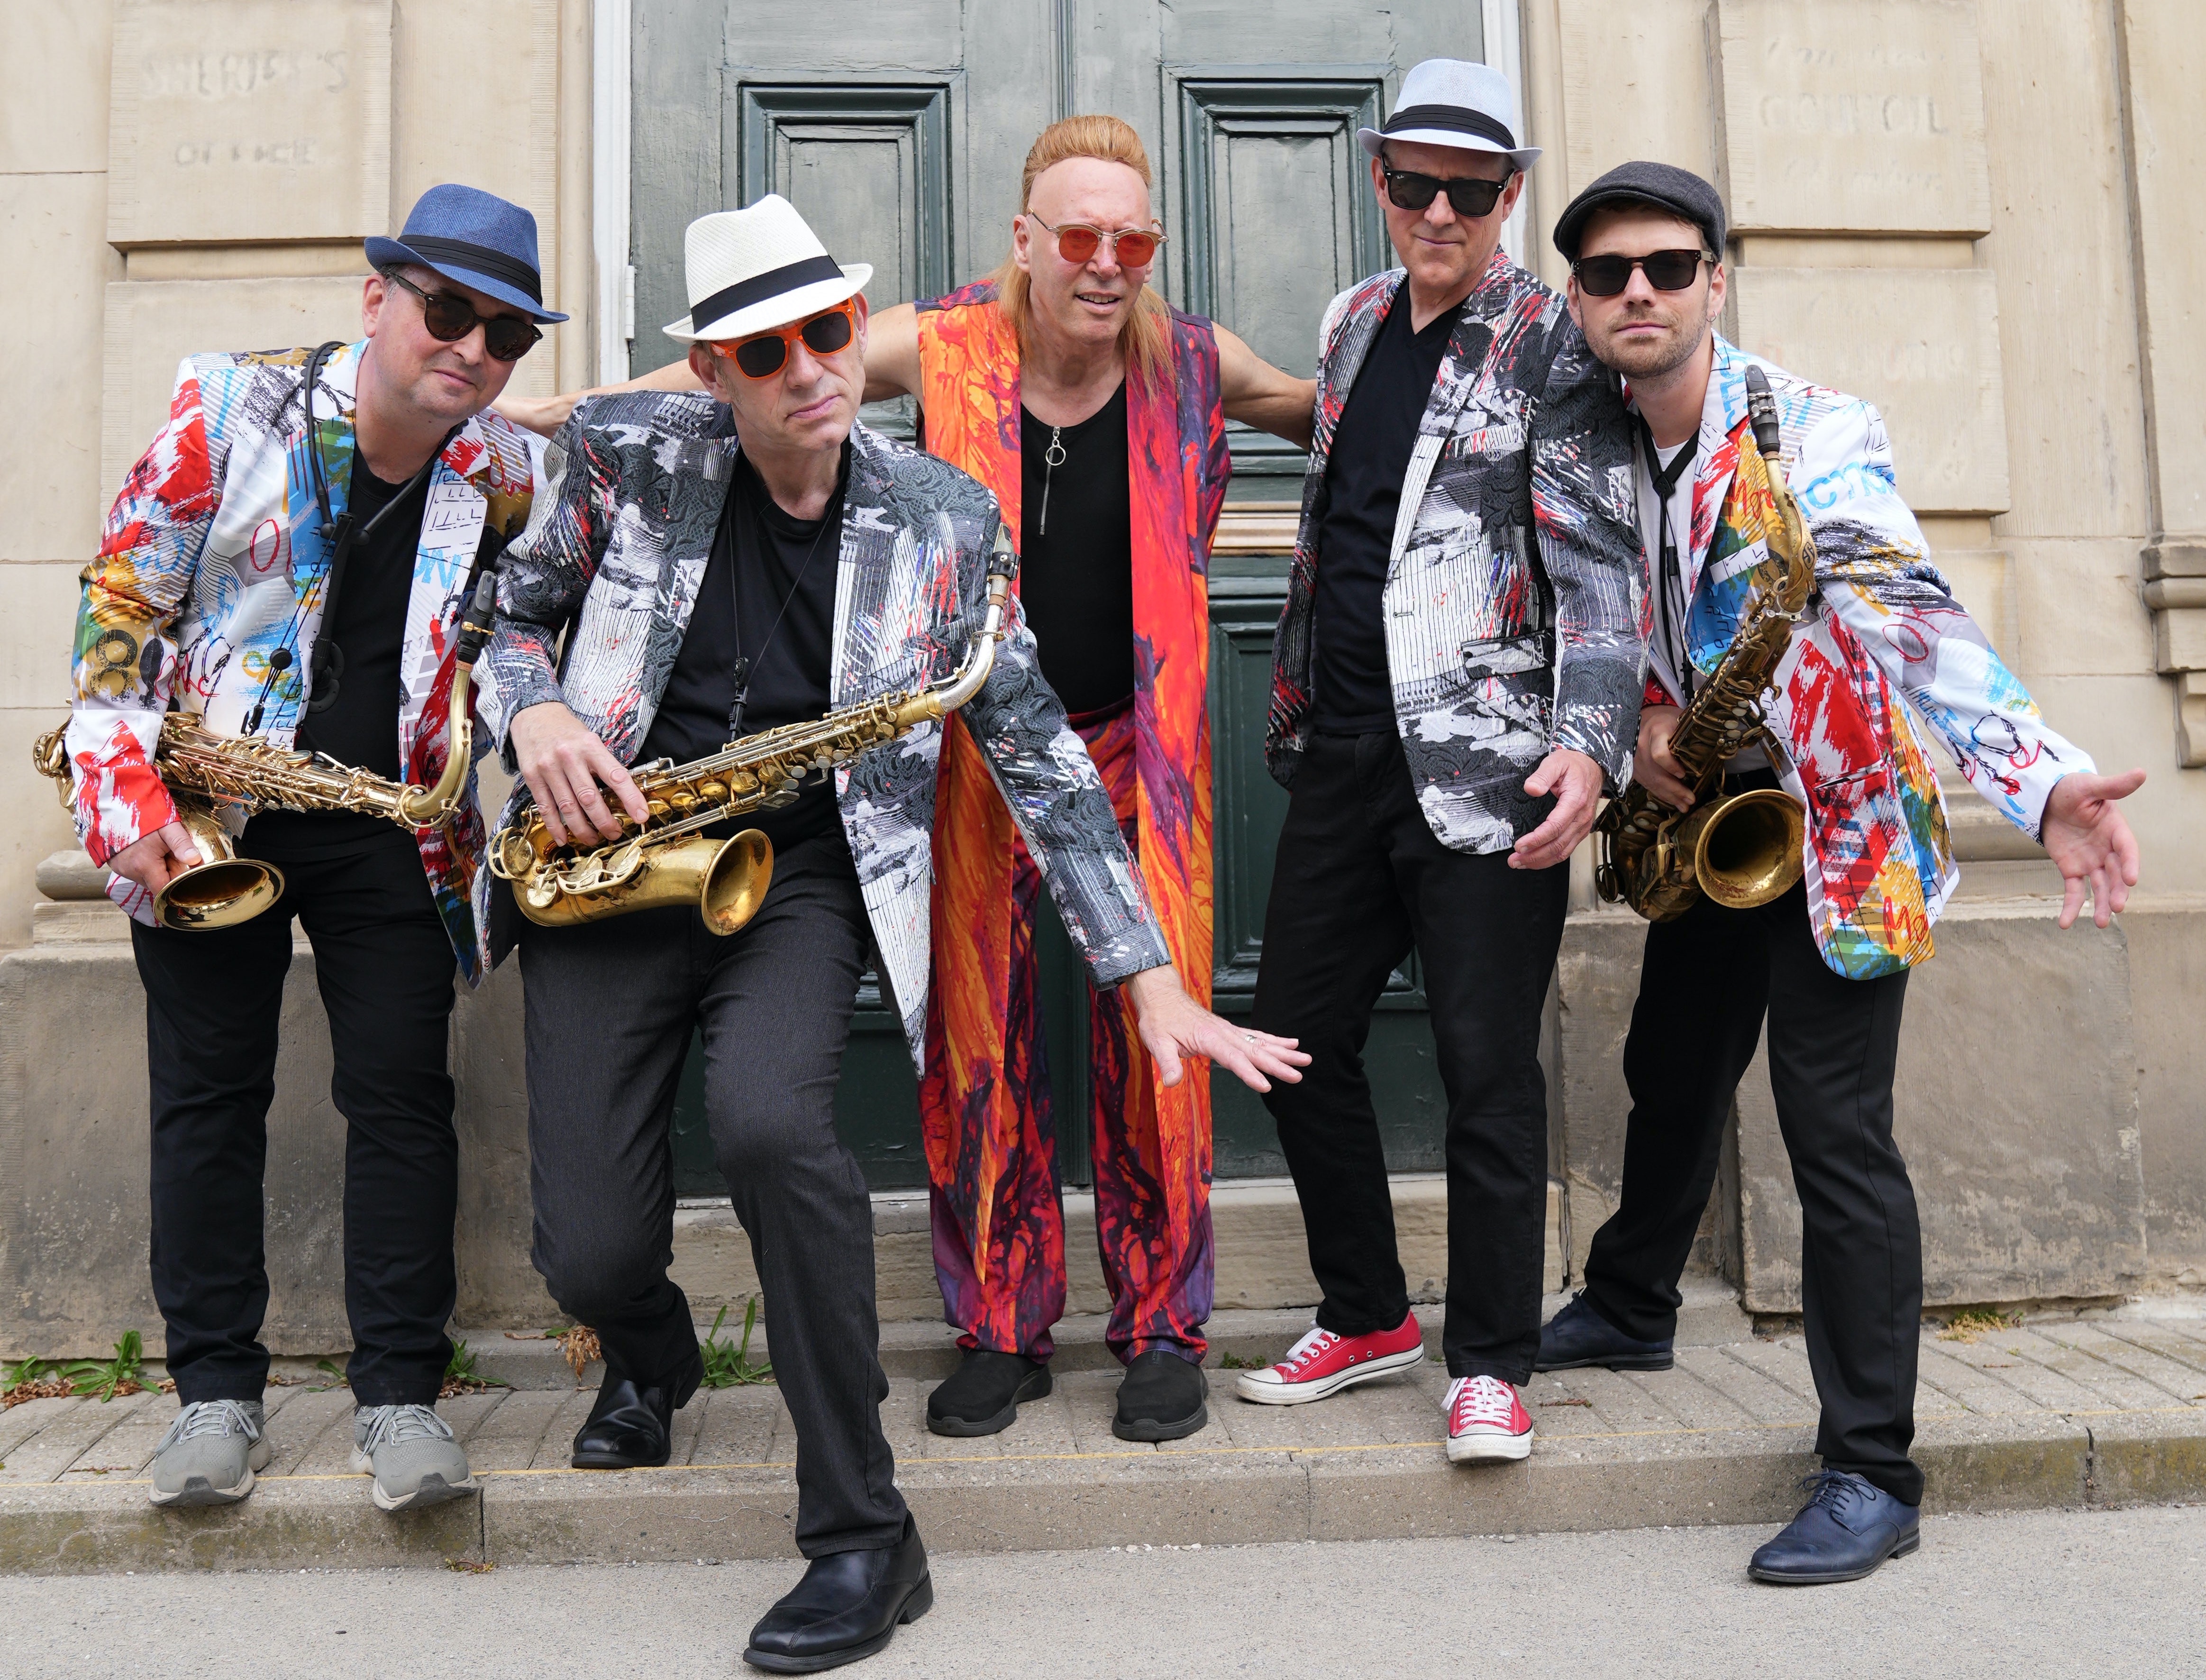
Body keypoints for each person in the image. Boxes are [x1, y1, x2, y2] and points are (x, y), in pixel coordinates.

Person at [480, 195, 1303, 1674]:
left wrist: (1147, 976)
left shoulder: (943, 519)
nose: (808, 367)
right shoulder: (628, 453)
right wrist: (533, 713)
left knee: (774, 1130)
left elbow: (1040, 753)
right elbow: (514, 614)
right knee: (590, 1252)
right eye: (764, 349)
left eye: (827, 332)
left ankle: (863, 1535)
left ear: (858, 333)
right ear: (715, 371)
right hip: (611, 864)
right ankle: (652, 1356)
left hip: (794, 876)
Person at [1536, 160, 2145, 1584]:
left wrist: (2044, 777)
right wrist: (1640, 724)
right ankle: (1631, 1303)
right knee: (1672, 1067)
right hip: (1710, 810)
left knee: (1835, 1140)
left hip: (1841, 824)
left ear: (1716, 281)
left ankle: (1873, 1469)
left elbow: (1907, 611)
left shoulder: (1812, 433)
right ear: (1580, 297)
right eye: (1610, 272)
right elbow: (1592, 619)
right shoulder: (1581, 440)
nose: (1639, 291)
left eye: (1668, 266)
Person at [65, 185, 556, 1512]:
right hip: (210, 809)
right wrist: (132, 808)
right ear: (376, 298)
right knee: (207, 1099)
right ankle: (213, 1393)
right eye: (447, 312)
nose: (473, 349)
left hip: (392, 826)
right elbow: (122, 602)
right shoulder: (231, 408)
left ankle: (400, 1397)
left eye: (507, 335)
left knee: (403, 1102)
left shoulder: (502, 470)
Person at [1230, 60, 1645, 1472]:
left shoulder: (1554, 343)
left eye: (1472, 190)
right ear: (1382, 181)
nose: (1442, 212)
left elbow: (1598, 570)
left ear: (1509, 196)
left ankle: (1493, 1363)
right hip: (1344, 749)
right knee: (1293, 1041)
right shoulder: (1352, 322)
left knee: (1485, 1072)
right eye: (1418, 184)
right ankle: (1365, 1312)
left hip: (1492, 764)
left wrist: (1590, 745)